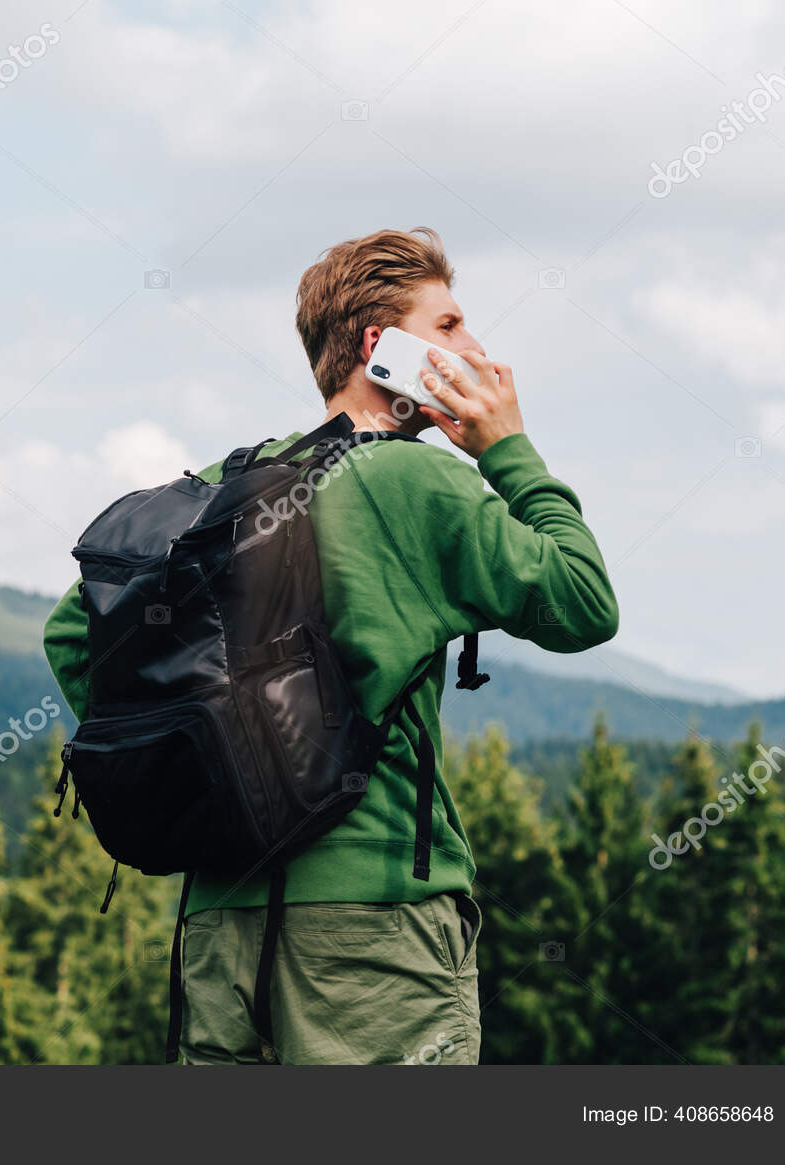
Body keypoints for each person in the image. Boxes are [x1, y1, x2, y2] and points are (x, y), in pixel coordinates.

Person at [43, 226, 618, 1064]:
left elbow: (71, 631)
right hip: (371, 936)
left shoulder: (218, 489)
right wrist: (508, 451)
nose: (476, 348)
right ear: (380, 347)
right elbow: (583, 601)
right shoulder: (413, 477)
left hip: (216, 926)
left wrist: (216, 760)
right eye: (450, 327)